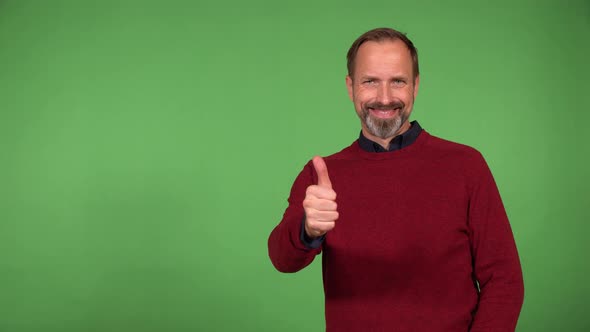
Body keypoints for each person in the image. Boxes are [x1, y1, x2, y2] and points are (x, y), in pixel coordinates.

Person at [267, 27, 524, 331]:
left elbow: (504, 279)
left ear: (415, 86)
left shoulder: (466, 165)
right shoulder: (322, 175)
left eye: (398, 81)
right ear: (350, 88)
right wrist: (308, 230)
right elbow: (283, 259)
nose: (385, 98)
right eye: (370, 81)